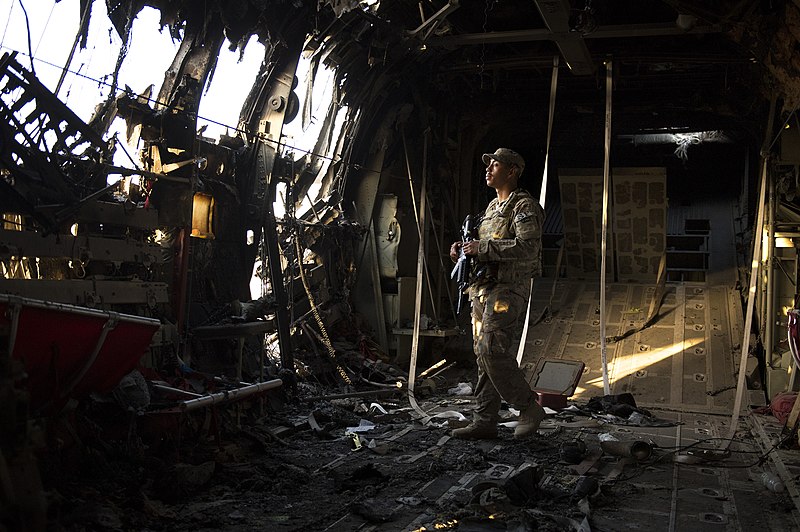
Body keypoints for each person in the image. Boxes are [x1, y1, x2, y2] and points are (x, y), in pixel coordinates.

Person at [448, 148, 546, 439]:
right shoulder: (491, 209)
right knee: (482, 356)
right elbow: (482, 245)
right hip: (481, 288)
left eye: (495, 164)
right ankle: (484, 420)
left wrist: (484, 248)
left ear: (512, 171)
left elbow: (529, 247)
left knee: (492, 350)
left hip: (507, 289)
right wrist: (463, 250)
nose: (488, 168)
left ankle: (528, 407)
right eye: (487, 164)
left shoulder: (524, 206)